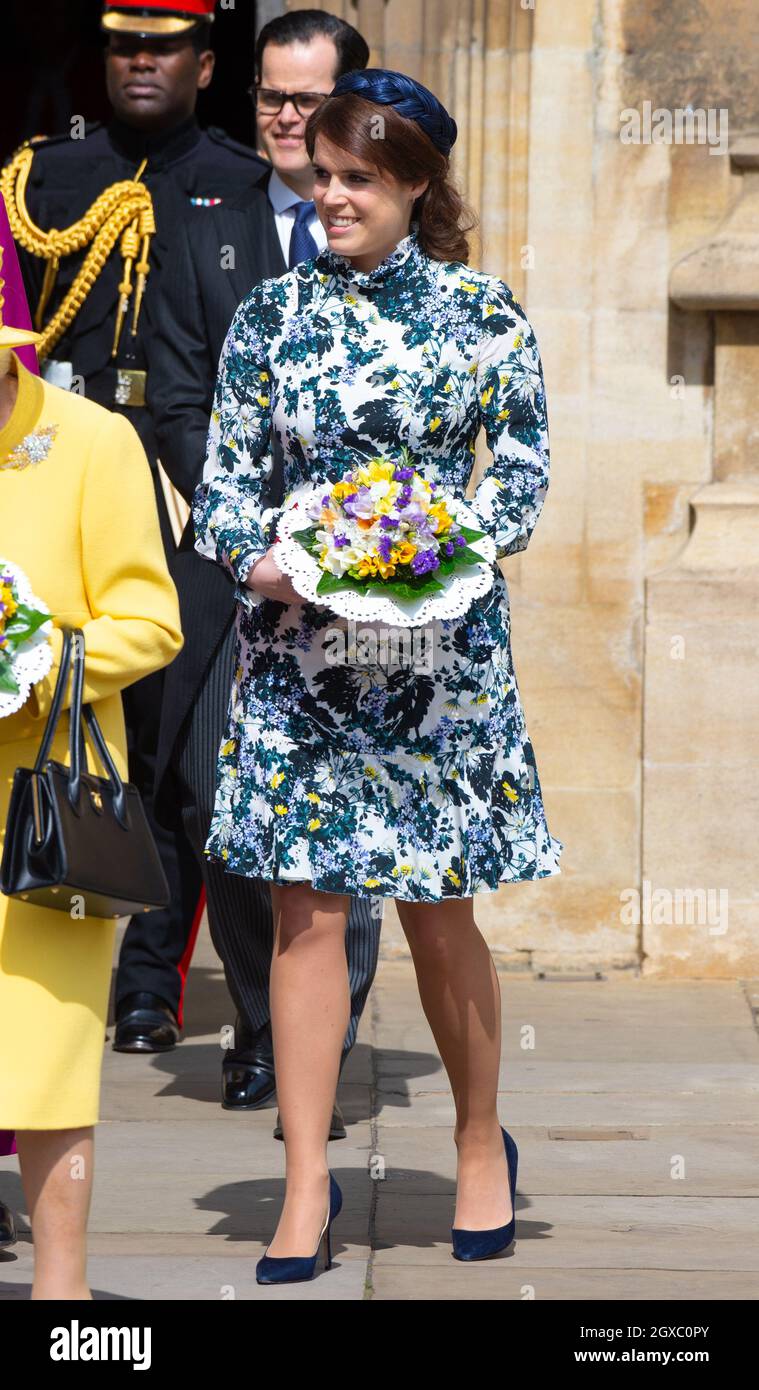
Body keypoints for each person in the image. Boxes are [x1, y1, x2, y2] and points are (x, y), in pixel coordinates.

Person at [193, 69, 564, 1283]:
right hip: (302, 659)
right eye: (323, 174)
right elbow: (227, 489)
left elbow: (517, 478)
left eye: (360, 177)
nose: (332, 193)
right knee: (304, 911)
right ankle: (306, 1179)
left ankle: (473, 1143)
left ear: (414, 182)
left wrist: (429, 541)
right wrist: (269, 561)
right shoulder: (272, 318)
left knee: (437, 908)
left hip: (435, 658)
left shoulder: (482, 314)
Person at [2, 0, 269, 1058]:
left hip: (183, 483)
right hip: (60, 470)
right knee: (62, 721)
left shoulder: (246, 184)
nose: (141, 63)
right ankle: (101, 980)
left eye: (163, 47)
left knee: (180, 758)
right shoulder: (44, 181)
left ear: (206, 64)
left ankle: (159, 983)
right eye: (125, 45)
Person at [146, 8, 381, 1131]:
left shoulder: (387, 224)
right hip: (231, 569)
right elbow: (179, 396)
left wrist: (349, 534)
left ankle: (319, 1038)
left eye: (307, 98)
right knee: (214, 798)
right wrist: (259, 532)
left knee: (350, 809)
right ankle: (262, 1024)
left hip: (370, 583)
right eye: (271, 98)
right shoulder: (204, 221)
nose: (286, 119)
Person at [0, 214, 183, 1299]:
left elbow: (149, 622)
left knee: (50, 1052)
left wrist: (35, 656)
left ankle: (63, 1294)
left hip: (48, 794)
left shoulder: (92, 440)